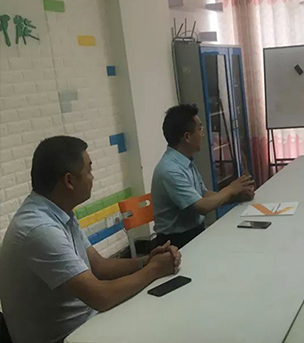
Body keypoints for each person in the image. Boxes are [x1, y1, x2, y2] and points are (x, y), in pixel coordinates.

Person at [0, 136, 181, 343]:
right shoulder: (40, 230)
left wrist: (146, 261)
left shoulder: (59, 212)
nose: (92, 177)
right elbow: (101, 296)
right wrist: (154, 269)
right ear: (69, 181)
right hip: (68, 337)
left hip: (86, 325)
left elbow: (99, 266)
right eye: (89, 170)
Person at [151, 104, 255, 249]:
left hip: (195, 233)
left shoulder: (185, 161)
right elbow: (201, 206)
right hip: (175, 242)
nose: (203, 135)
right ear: (187, 137)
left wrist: (236, 196)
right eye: (200, 129)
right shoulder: (169, 170)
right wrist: (230, 189)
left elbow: (204, 194)